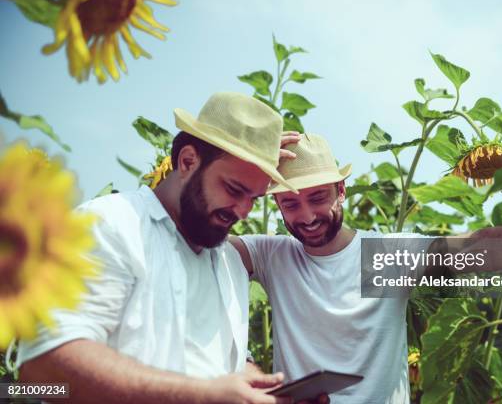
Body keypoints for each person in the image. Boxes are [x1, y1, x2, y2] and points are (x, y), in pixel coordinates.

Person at [229, 133, 502, 403]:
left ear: (342, 189)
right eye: (290, 205)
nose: (307, 216)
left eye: (318, 198)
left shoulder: (380, 258)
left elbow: (482, 248)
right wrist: (236, 166)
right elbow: (195, 243)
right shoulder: (273, 256)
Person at [17, 92, 301, 404]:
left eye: (255, 198)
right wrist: (199, 395)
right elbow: (41, 371)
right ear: (188, 161)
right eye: (234, 189)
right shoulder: (107, 224)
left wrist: (264, 394)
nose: (244, 211)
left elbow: (215, 367)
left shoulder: (229, 262)